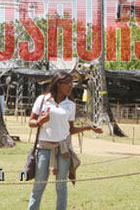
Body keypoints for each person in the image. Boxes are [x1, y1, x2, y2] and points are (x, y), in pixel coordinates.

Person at [27, 72, 102, 210]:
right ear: (58, 84)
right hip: (44, 148)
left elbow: (70, 129)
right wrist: (39, 122)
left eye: (72, 83)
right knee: (39, 185)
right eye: (67, 83)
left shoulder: (70, 105)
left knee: (61, 186)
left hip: (64, 150)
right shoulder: (43, 100)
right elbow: (30, 122)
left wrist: (89, 128)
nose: (70, 86)